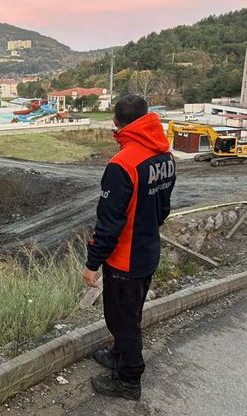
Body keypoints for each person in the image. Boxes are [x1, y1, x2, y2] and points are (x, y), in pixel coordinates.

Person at [82, 94, 176, 401]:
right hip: (148, 252)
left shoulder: (122, 164)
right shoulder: (164, 156)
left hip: (125, 260)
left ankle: (129, 380)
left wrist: (92, 263)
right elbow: (164, 208)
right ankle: (118, 355)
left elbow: (109, 223)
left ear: (116, 122)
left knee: (122, 321)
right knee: (130, 314)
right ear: (146, 118)